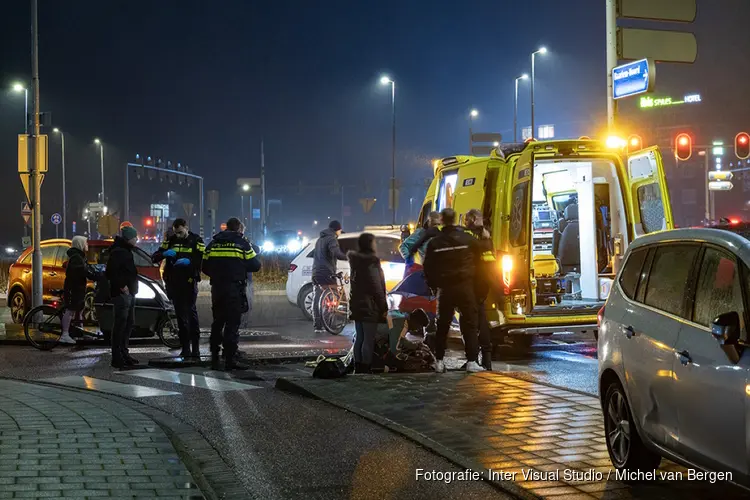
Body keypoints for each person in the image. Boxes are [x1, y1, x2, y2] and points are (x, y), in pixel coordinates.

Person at [423, 208, 483, 373]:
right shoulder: (468, 239)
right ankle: (472, 361)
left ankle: (440, 361)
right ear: (456, 219)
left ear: (441, 220)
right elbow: (480, 263)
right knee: (470, 323)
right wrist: (477, 286)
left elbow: (428, 268)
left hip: (446, 288)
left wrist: (434, 286)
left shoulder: (435, 243)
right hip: (465, 286)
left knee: (443, 325)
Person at [202, 217, 261, 371]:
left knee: (218, 322)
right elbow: (255, 265)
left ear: (226, 227)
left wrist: (217, 275)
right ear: (238, 229)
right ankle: (229, 359)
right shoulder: (241, 243)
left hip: (217, 288)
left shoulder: (214, 243)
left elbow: (204, 265)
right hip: (235, 288)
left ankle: (214, 358)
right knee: (232, 324)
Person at [152, 218, 205, 358]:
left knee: (191, 314)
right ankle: (185, 349)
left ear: (186, 227)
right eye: (176, 232)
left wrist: (191, 262)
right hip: (174, 283)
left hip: (188, 282)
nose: (179, 235)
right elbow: (155, 257)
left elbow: (203, 259)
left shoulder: (196, 240)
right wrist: (163, 254)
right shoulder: (171, 240)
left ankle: (196, 349)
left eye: (180, 232)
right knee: (181, 317)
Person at [347, 233, 388, 374]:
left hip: (357, 304)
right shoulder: (371, 261)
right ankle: (365, 367)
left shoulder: (356, 261)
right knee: (368, 339)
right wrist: (384, 306)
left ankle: (357, 366)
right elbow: (376, 287)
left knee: (359, 337)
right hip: (369, 305)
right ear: (370, 244)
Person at [464, 208, 497, 370]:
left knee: (471, 322)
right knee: (481, 320)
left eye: (467, 219)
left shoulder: (472, 237)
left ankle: (474, 359)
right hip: (482, 284)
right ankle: (485, 359)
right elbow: (490, 262)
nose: (465, 222)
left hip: (472, 283)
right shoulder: (486, 237)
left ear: (473, 219)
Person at [106, 226, 140, 368]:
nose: (136, 240)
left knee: (128, 324)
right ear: (129, 238)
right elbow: (111, 272)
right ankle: (117, 356)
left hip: (129, 293)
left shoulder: (125, 250)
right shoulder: (119, 252)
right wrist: (123, 286)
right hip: (122, 294)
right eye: (135, 238)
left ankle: (124, 353)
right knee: (120, 325)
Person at [59, 236, 97, 345]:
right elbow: (81, 270)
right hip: (73, 289)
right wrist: (93, 275)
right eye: (85, 243)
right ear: (80, 244)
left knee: (79, 310)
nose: (87, 245)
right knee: (70, 310)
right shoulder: (76, 257)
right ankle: (64, 334)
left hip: (78, 288)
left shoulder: (79, 256)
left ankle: (79, 331)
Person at [312, 220, 348, 333]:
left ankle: (318, 325)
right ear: (337, 229)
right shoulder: (332, 238)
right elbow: (335, 252)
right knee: (334, 296)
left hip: (316, 272)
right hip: (327, 272)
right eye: (340, 230)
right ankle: (332, 322)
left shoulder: (319, 240)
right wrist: (348, 257)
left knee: (317, 297)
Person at [399, 211, 441, 276]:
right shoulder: (420, 233)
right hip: (417, 271)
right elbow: (403, 246)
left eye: (436, 224)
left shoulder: (440, 236)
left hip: (432, 273)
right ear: (429, 221)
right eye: (433, 223)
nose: (435, 226)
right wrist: (410, 261)